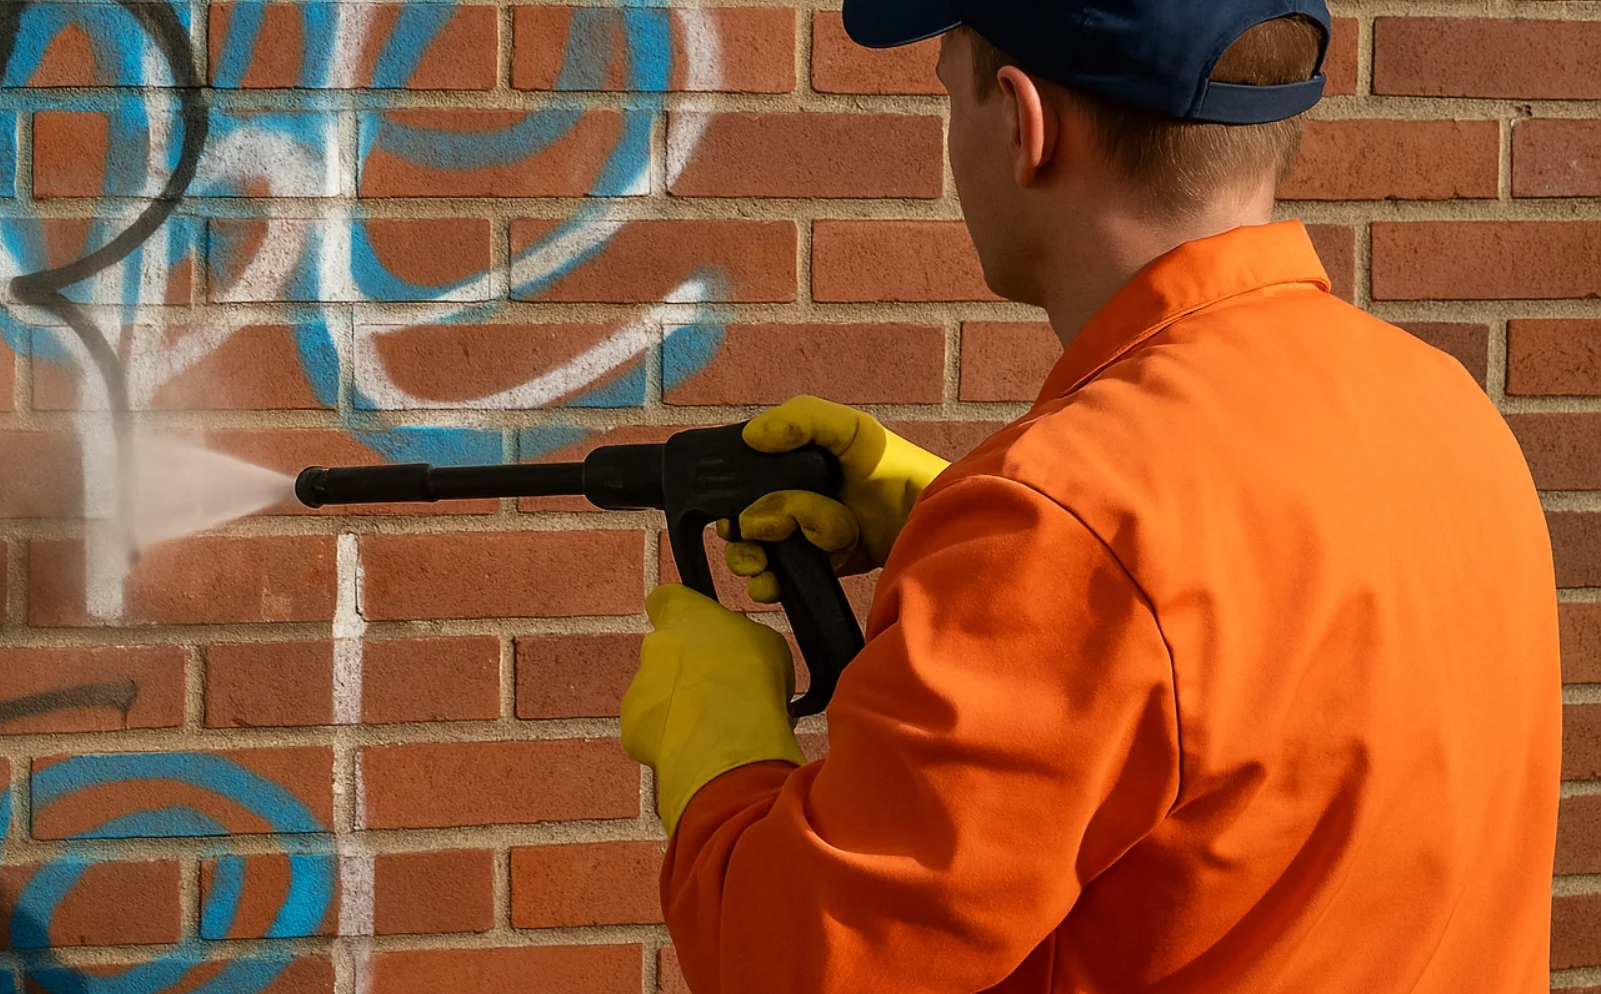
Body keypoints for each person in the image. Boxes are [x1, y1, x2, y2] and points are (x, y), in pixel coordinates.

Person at [617, 1, 1561, 991]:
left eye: (950, 92)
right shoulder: (1442, 404)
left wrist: (715, 736)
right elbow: (1245, 672)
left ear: (1024, 123)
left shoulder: (1069, 521)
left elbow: (800, 962)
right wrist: (958, 525)